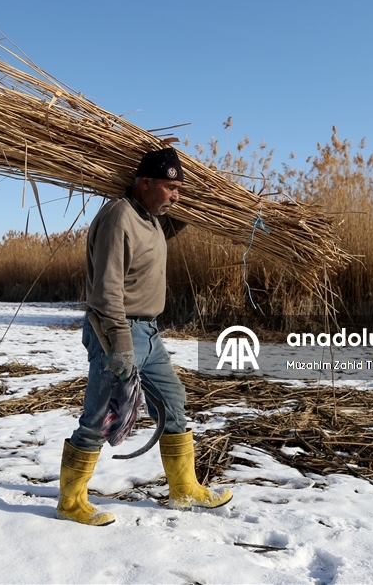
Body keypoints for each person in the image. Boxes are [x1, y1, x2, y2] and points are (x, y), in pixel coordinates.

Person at [56, 146, 233, 526]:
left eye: (179, 190)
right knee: (100, 415)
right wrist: (120, 345)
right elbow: (106, 290)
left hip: (149, 333)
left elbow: (161, 233)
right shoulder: (120, 216)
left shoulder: (150, 219)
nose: (176, 196)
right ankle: (70, 501)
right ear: (146, 182)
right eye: (171, 188)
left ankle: (184, 489)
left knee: (172, 399)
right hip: (119, 332)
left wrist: (214, 205)